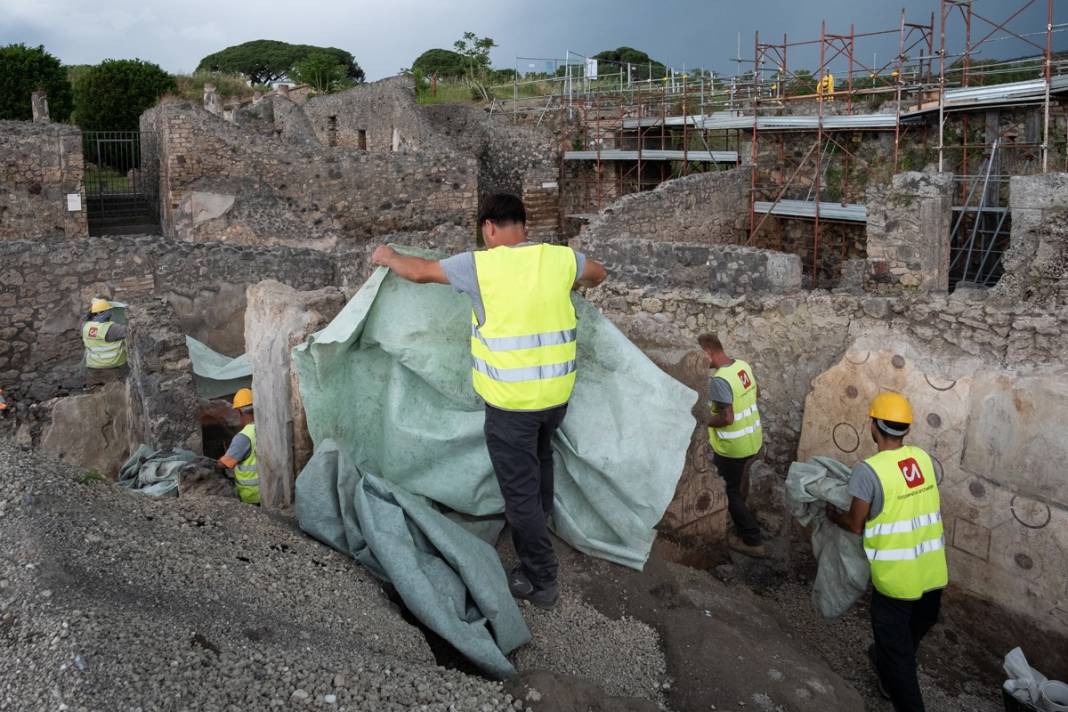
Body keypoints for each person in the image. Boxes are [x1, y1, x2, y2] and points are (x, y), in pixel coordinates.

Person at [371, 193, 607, 609]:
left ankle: (541, 578)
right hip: (554, 398)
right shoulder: (558, 259)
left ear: (488, 228)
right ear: (525, 226)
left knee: (518, 494)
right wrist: (570, 281)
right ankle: (543, 526)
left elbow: (421, 272)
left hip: (511, 405)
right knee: (541, 465)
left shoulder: (479, 265)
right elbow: (598, 273)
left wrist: (388, 256)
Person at [827, 392, 948, 712]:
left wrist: (833, 515)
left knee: (900, 658)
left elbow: (855, 524)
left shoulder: (869, 471)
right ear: (906, 429)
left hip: (897, 581)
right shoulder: (922, 459)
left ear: (873, 426)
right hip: (932, 573)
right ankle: (884, 667)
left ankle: (897, 682)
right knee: (910, 635)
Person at [698, 333, 766, 557]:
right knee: (739, 485)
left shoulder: (719, 380)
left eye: (700, 355)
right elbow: (754, 394)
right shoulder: (741, 366)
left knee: (729, 490)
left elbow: (727, 418)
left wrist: (703, 420)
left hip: (733, 447)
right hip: (753, 439)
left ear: (708, 352)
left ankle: (753, 540)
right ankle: (741, 517)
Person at [217, 388, 260, 505]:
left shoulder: (243, 437)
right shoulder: (266, 426)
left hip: (252, 496)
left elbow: (226, 463)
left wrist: (212, 463)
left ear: (240, 412)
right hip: (272, 490)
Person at [82, 298, 127, 369]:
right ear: (103, 312)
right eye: (109, 310)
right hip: (113, 367)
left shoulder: (85, 326)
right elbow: (130, 330)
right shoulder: (111, 329)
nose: (110, 312)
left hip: (93, 367)